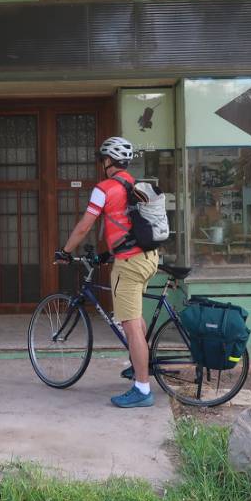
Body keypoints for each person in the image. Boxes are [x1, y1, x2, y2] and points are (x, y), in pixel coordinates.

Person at [54, 136, 159, 408]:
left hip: (130, 264)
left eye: (103, 159)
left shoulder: (105, 188)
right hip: (148, 258)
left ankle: (142, 389)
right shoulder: (135, 185)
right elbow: (130, 227)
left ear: (109, 161)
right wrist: (106, 255)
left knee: (130, 325)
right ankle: (140, 368)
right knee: (136, 319)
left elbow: (84, 227)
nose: (102, 163)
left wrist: (65, 251)